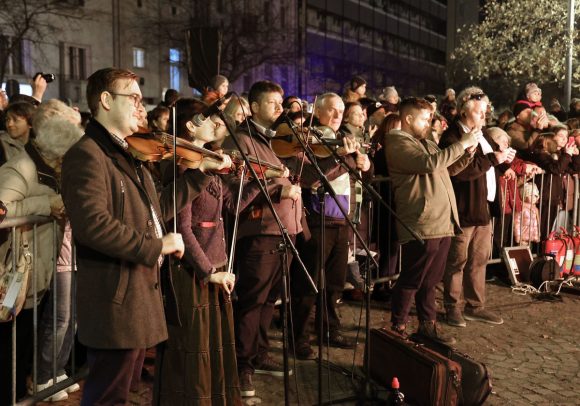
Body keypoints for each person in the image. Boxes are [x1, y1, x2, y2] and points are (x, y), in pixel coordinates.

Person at [60, 68, 229, 405]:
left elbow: (158, 207)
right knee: (107, 395)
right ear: (106, 101)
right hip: (115, 298)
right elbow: (93, 225)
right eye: (133, 98)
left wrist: (197, 176)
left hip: (135, 295)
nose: (140, 106)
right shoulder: (87, 155)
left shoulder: (128, 153)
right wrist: (157, 245)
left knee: (122, 390)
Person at [155, 98, 251, 405]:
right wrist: (208, 271)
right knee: (194, 351)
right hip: (193, 272)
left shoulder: (205, 161)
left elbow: (229, 206)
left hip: (214, 263)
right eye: (211, 120)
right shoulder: (181, 165)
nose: (219, 124)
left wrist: (250, 178)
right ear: (190, 125)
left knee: (215, 346)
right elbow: (182, 227)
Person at [222, 80, 301, 398]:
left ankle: (259, 354)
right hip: (261, 231)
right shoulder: (241, 140)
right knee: (253, 300)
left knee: (271, 300)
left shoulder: (277, 140)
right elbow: (233, 190)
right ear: (253, 107)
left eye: (281, 103)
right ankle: (242, 366)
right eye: (273, 103)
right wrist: (276, 188)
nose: (280, 109)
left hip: (287, 229)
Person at [0, 100, 82, 404]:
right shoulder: (21, 167)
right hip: (13, 273)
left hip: (35, 267)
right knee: (12, 340)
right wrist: (45, 206)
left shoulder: (46, 167)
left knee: (27, 337)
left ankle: (24, 389)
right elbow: (1, 209)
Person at [386, 97, 477, 344]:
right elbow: (428, 164)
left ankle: (428, 327)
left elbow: (445, 169)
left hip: (441, 221)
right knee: (412, 278)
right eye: (425, 118)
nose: (430, 122)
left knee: (431, 280)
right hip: (422, 222)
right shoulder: (396, 141)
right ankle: (398, 327)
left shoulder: (425, 142)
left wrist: (466, 154)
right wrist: (461, 144)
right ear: (408, 118)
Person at [290, 92, 369, 358]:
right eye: (331, 111)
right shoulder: (308, 138)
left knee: (335, 283)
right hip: (318, 219)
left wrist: (361, 164)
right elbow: (310, 177)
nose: (336, 116)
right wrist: (343, 159)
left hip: (342, 220)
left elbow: (351, 179)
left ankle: (328, 329)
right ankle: (299, 336)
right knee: (307, 283)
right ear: (318, 112)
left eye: (340, 111)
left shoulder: (344, 140)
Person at [439, 87, 514, 329]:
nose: (484, 115)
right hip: (464, 208)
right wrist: (494, 160)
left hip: (484, 207)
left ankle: (475, 305)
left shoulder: (483, 135)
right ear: (463, 111)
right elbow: (461, 172)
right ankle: (453, 306)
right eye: (479, 111)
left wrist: (505, 164)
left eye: (485, 111)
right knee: (457, 260)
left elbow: (493, 160)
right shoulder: (452, 137)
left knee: (479, 259)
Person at [0, 102, 36, 167]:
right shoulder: (1, 144)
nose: (9, 124)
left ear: (30, 123)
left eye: (15, 120)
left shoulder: (37, 147)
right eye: (7, 119)